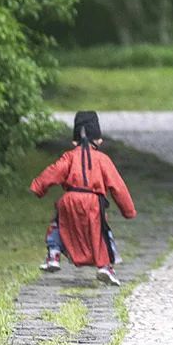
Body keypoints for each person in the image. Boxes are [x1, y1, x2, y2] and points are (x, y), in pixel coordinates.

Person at [29, 110, 136, 286]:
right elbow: (118, 187)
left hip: (69, 200)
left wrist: (38, 186)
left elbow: (53, 172)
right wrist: (128, 210)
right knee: (102, 233)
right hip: (94, 202)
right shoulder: (103, 159)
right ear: (99, 139)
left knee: (58, 225)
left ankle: (53, 255)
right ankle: (105, 266)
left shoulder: (69, 157)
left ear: (74, 140)